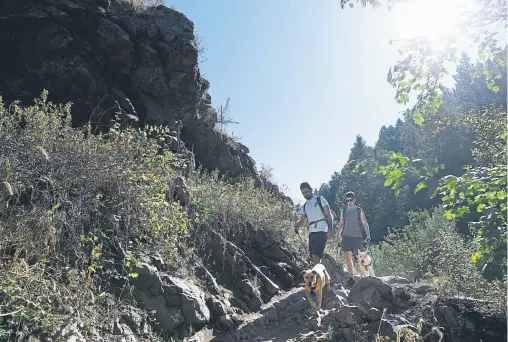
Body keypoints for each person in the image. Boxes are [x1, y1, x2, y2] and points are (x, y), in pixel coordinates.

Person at [294, 182, 334, 264]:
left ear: (311, 190)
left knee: (316, 256)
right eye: (303, 193)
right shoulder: (304, 206)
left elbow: (329, 215)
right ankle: (322, 275)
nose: (305, 194)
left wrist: (330, 230)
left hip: (322, 230)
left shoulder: (320, 200)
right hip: (312, 232)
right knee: (312, 257)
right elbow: (302, 221)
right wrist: (296, 225)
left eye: (306, 192)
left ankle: (318, 275)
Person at [337, 191, 371, 285]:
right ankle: (351, 277)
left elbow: (364, 223)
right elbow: (341, 223)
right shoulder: (344, 210)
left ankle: (367, 277)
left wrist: (368, 235)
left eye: (351, 200)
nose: (349, 202)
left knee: (361, 257)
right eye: (347, 200)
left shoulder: (359, 210)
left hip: (357, 237)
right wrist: (338, 235)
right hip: (346, 236)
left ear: (354, 199)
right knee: (348, 257)